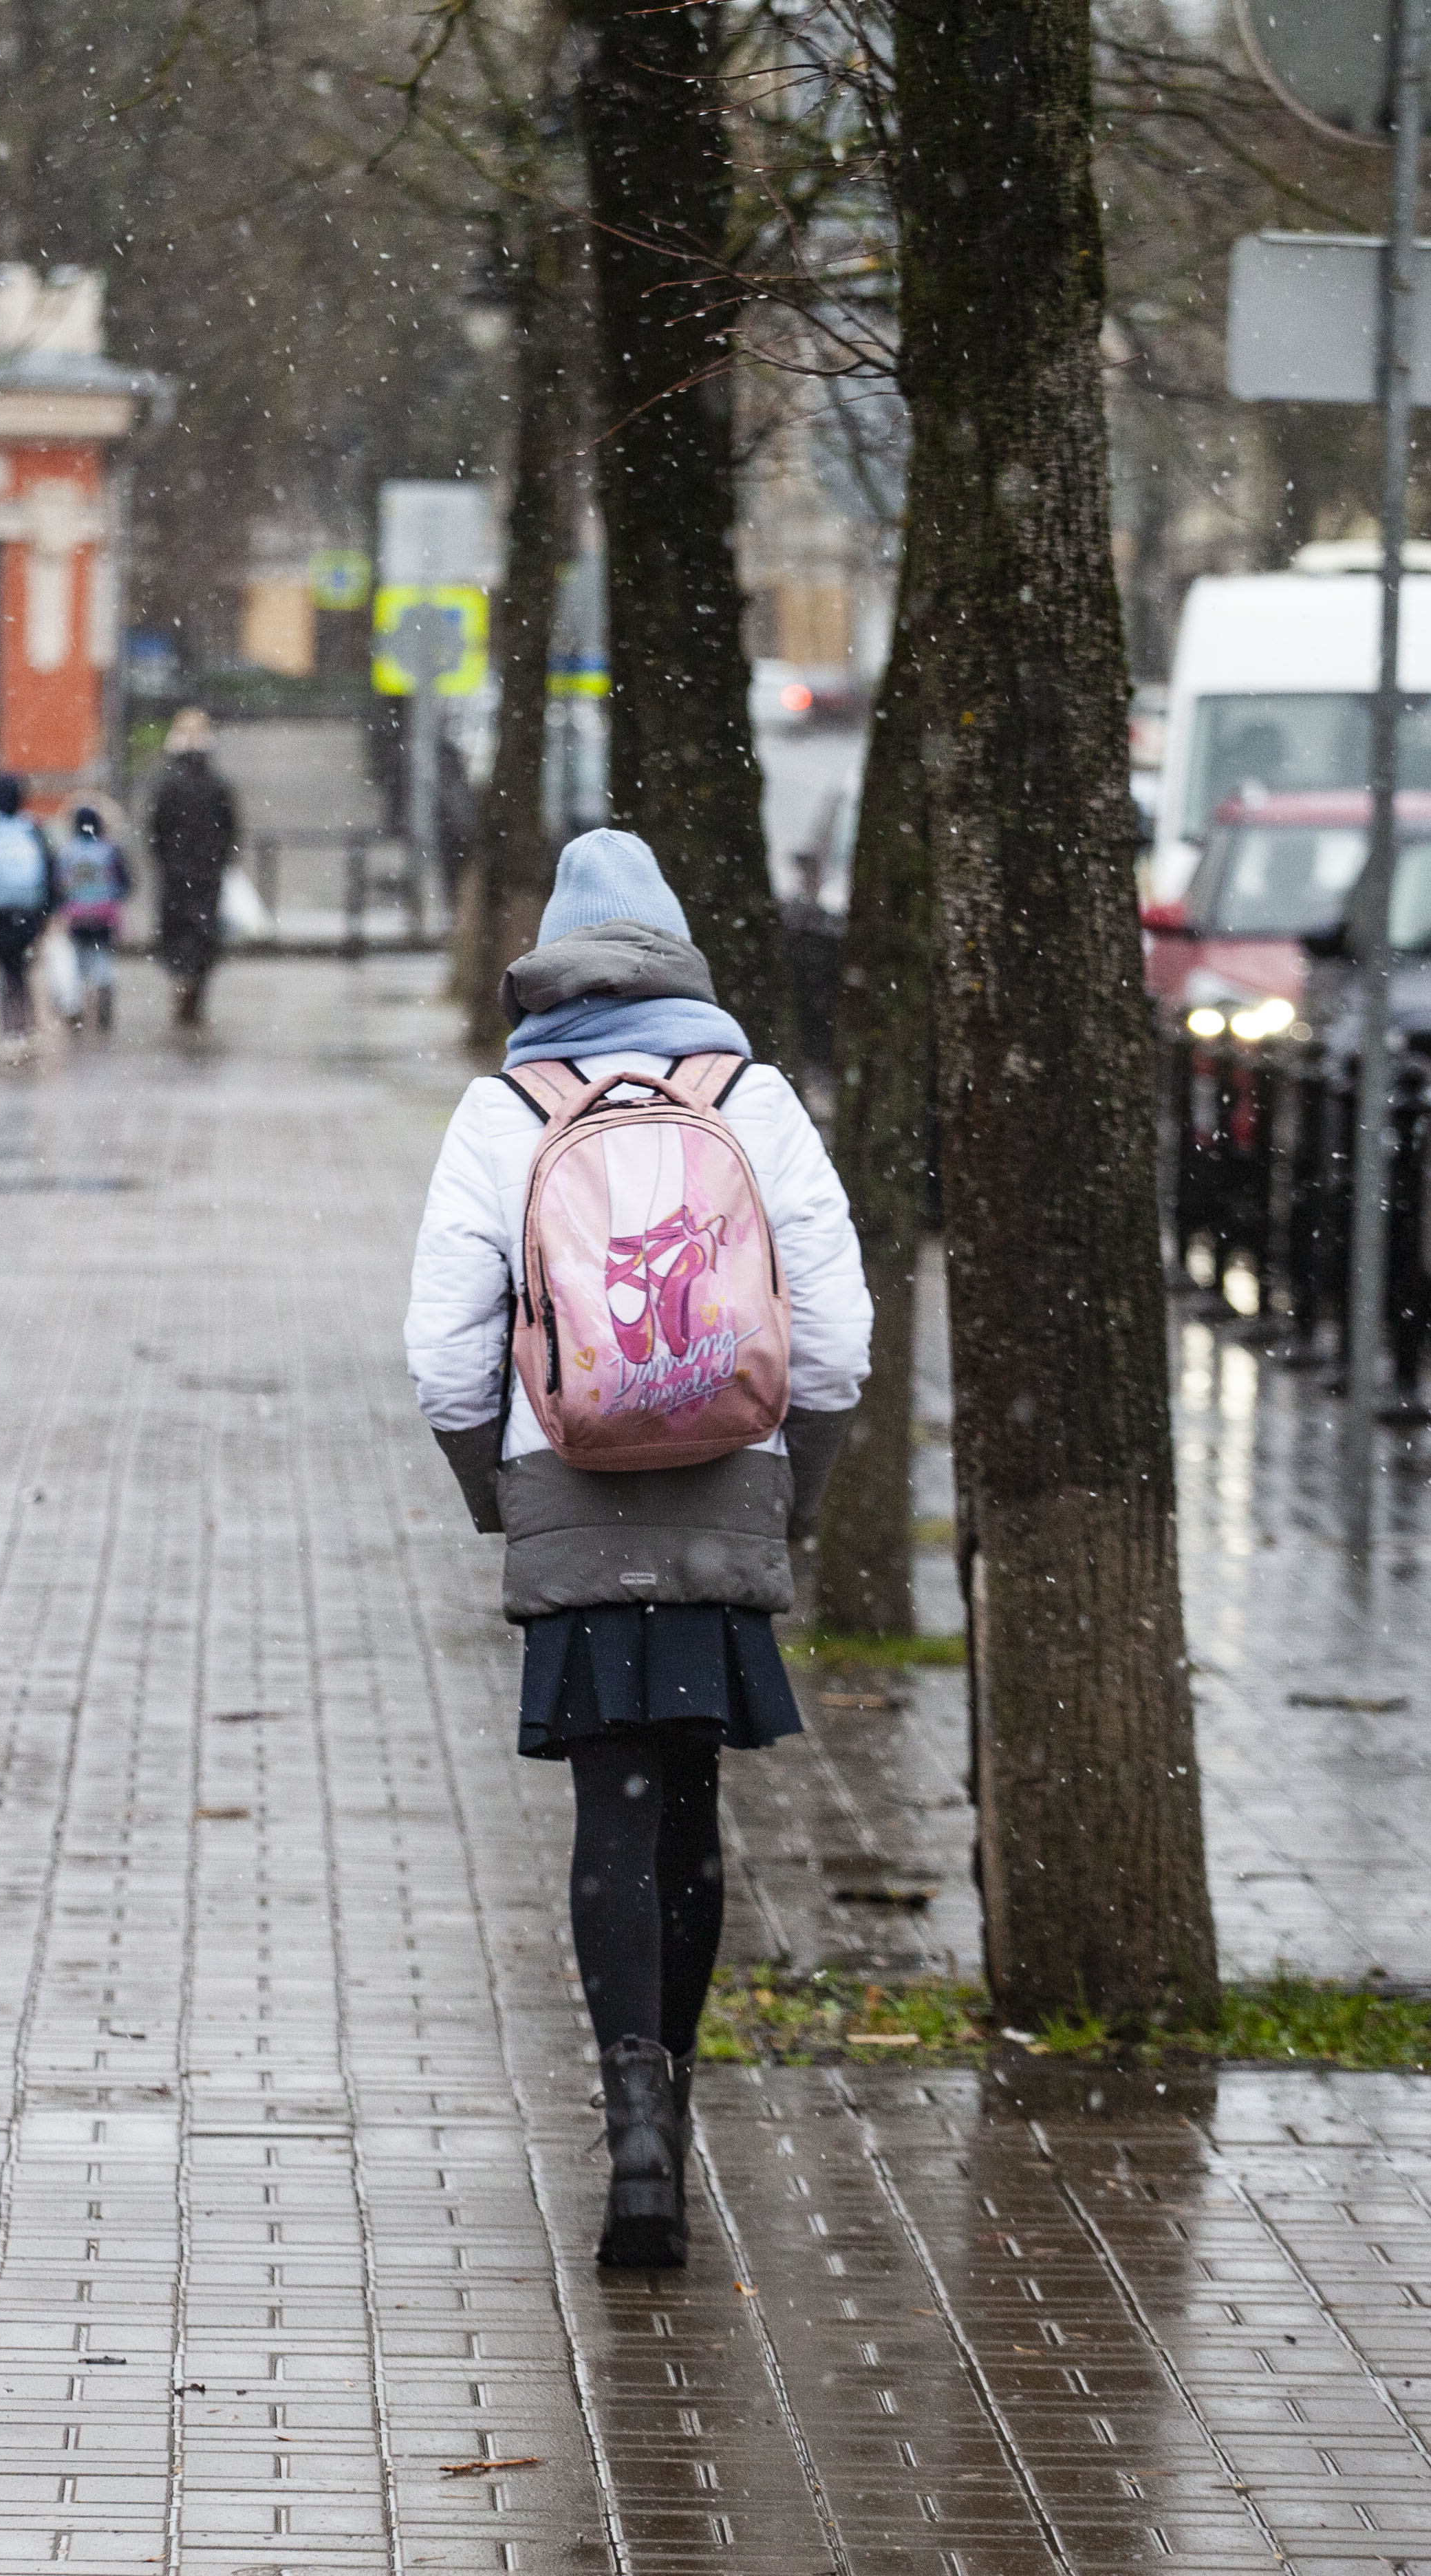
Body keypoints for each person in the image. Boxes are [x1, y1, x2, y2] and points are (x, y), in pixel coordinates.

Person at [400, 828, 872, 2273]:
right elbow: (840, 1344)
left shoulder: (505, 1110)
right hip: (729, 1467)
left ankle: (633, 2128)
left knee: (612, 1803)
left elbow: (442, 1359)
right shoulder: (756, 1098)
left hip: (572, 1473)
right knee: (693, 1804)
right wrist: (794, 1487)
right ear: (684, 956)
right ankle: (678, 2099)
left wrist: (505, 1490)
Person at [147, 707, 239, 1029]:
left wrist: (165, 860)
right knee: (204, 933)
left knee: (176, 931)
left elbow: (156, 829)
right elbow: (231, 829)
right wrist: (221, 859)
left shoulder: (167, 783)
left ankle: (181, 981)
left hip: (176, 873)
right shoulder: (217, 784)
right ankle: (195, 991)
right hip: (207, 873)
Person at [0, 772, 57, 1064]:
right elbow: (51, 871)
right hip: (30, 913)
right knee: (24, 970)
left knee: (7, 974)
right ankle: (29, 1029)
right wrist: (48, 912)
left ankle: (12, 1033)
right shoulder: (32, 829)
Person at [58, 800, 130, 1034]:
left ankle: (77, 1008)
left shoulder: (68, 852)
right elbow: (123, 885)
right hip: (104, 916)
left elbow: (59, 886)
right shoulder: (109, 851)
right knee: (102, 961)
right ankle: (103, 1008)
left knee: (78, 963)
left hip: (77, 917)